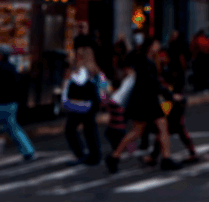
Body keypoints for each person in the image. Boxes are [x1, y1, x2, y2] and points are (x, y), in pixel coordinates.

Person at [106, 39, 182, 173]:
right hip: (147, 101)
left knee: (140, 131)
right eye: (156, 45)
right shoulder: (147, 62)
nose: (158, 47)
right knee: (157, 128)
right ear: (150, 47)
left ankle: (115, 156)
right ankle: (165, 159)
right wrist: (170, 95)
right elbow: (153, 83)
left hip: (142, 101)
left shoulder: (145, 60)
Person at [62, 46, 107, 166]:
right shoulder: (96, 70)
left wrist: (70, 75)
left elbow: (78, 82)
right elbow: (104, 84)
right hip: (92, 104)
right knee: (90, 129)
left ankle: (82, 154)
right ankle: (94, 155)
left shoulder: (81, 70)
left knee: (70, 129)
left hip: (80, 103)